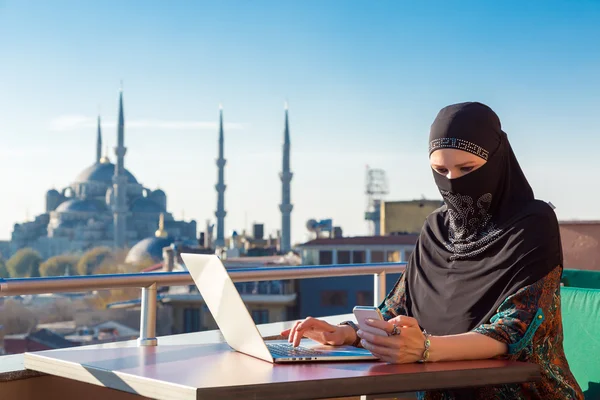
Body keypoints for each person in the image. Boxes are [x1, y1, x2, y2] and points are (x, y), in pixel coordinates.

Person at [281, 102, 583, 399]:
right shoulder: (435, 229)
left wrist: (425, 348)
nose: (452, 183)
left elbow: (516, 329)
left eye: (467, 168)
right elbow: (398, 311)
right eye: (440, 170)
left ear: (497, 161)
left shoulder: (532, 224)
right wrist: (346, 333)